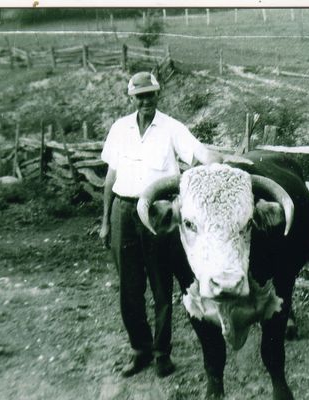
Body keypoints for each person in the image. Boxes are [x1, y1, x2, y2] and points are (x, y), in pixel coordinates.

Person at [99, 71, 222, 378]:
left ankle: (161, 353)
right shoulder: (120, 129)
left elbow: (202, 155)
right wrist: (104, 221)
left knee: (160, 286)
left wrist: (195, 178)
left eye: (151, 95)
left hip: (157, 213)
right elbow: (111, 178)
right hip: (123, 211)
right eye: (140, 96)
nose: (146, 101)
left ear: (158, 95)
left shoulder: (171, 128)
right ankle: (139, 350)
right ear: (131, 98)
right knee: (129, 287)